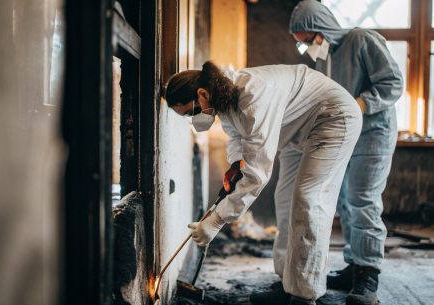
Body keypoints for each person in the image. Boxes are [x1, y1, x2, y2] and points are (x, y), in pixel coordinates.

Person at [164, 60, 362, 305]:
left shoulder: (252, 97)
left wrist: (216, 220)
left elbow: (257, 174)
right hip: (299, 127)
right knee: (286, 199)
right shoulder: (223, 96)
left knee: (309, 200)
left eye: (191, 112)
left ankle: (304, 294)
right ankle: (289, 283)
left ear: (202, 94)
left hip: (333, 118)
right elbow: (236, 138)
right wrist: (236, 166)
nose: (194, 118)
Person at [269, 1, 403, 305]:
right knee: (342, 200)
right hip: (341, 135)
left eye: (308, 39)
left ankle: (368, 273)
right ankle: (352, 265)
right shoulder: (324, 58)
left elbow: (393, 83)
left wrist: (360, 104)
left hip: (372, 132)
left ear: (323, 28)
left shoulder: (361, 40)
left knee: (363, 199)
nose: (306, 46)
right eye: (300, 42)